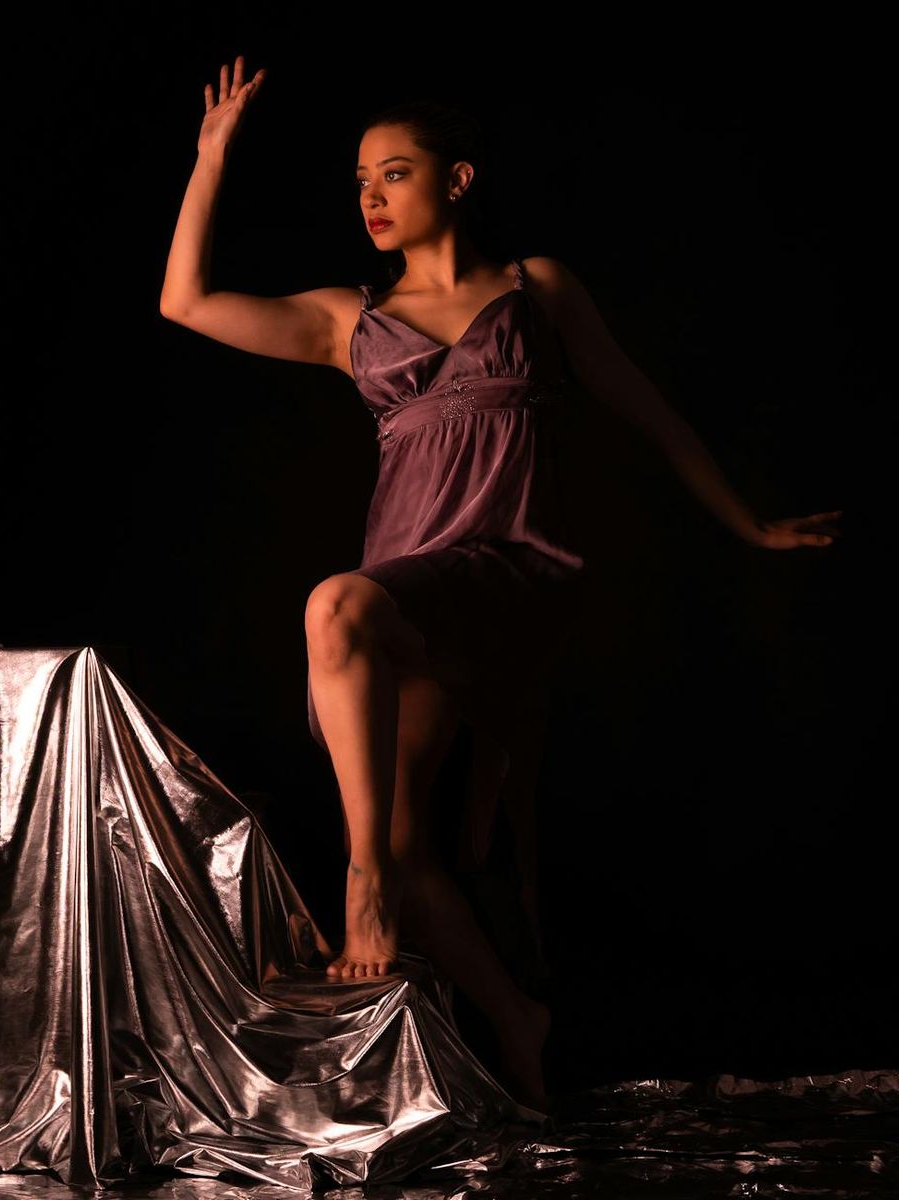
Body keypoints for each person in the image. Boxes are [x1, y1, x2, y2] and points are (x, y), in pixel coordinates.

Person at [159, 56, 842, 1111]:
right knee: (398, 821)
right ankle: (519, 1022)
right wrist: (211, 155)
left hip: (512, 567)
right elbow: (185, 302)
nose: (371, 197)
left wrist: (746, 525)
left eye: (394, 173)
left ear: (458, 179)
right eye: (358, 181)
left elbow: (651, 415)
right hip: (410, 591)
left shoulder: (536, 288)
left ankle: (361, 890)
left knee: (333, 611)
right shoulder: (351, 319)